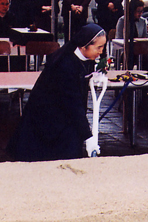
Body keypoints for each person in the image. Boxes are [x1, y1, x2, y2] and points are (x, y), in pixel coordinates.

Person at [7, 24, 106, 161]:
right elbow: (74, 103)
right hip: (47, 119)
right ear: (84, 46)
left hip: (62, 115)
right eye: (98, 47)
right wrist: (88, 137)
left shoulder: (80, 59)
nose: (101, 51)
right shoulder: (65, 65)